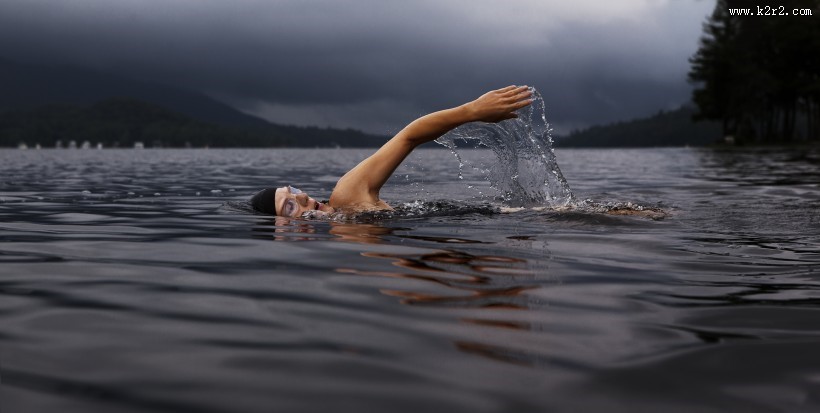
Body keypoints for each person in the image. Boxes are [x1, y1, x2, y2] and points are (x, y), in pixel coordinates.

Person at [251, 85, 533, 217]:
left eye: (293, 190)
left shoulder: (346, 197)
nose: (302, 196)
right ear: (282, 231)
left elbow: (408, 137)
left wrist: (471, 111)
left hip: (517, 217)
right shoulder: (344, 235)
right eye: (289, 205)